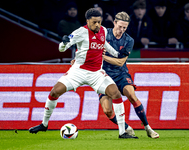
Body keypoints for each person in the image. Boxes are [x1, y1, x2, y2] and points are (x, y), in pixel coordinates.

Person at [29, 8, 138, 139]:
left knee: (115, 94)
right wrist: (64, 43)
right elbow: (61, 48)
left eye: (99, 21)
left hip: (96, 73)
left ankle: (122, 132)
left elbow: (105, 45)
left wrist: (116, 54)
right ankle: (44, 124)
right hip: (78, 72)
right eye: (94, 22)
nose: (97, 25)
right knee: (54, 92)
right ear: (87, 21)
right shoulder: (80, 32)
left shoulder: (103, 30)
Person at [99, 11, 159, 138]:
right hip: (103, 76)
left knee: (131, 95)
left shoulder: (128, 40)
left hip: (120, 74)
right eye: (119, 26)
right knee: (107, 111)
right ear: (114, 23)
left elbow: (120, 62)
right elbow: (88, 47)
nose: (121, 30)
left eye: (124, 27)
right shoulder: (103, 34)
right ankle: (126, 127)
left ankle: (148, 128)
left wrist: (103, 56)